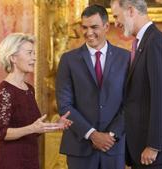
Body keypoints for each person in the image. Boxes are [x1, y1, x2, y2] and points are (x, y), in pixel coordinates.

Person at [110, 0, 162, 168]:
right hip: (141, 149)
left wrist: (154, 145)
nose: (115, 22)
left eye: (116, 16)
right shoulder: (143, 42)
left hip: (156, 153)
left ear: (130, 10)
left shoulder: (156, 42)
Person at [56, 4, 130, 169]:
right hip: (79, 147)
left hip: (114, 147)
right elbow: (64, 106)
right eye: (85, 27)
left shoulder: (125, 58)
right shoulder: (68, 60)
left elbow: (130, 103)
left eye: (94, 27)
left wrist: (110, 136)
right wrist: (92, 135)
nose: (89, 33)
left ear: (106, 27)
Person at [0, 33, 72, 169]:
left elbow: (35, 128)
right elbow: (2, 133)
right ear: (13, 58)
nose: (34, 58)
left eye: (34, 53)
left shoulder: (29, 89)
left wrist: (56, 126)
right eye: (29, 53)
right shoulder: (5, 91)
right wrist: (31, 128)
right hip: (11, 160)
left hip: (30, 158)